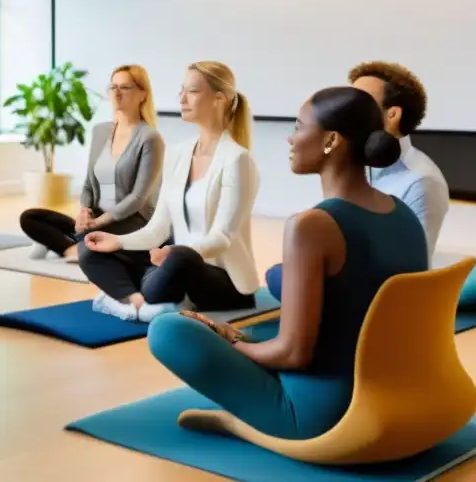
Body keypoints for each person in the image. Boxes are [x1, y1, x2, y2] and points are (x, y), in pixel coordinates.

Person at [148, 86, 428, 440]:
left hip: (324, 415)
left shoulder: (310, 226)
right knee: (276, 289)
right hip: (400, 397)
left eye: (298, 127)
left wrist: (229, 343)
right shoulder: (403, 213)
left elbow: (294, 353)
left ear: (331, 140)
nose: (289, 138)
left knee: (168, 330)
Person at [81, 61, 259, 323]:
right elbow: (157, 229)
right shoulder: (178, 153)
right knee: (91, 252)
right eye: (181, 90)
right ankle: (141, 301)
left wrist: (172, 253)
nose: (182, 98)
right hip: (175, 266)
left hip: (223, 282)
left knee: (179, 257)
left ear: (219, 99)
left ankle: (125, 302)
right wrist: (117, 241)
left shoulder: (237, 159)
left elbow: (223, 236)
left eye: (193, 92)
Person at [265, 60, 450, 299]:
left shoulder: (421, 182)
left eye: (363, 98)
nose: (350, 103)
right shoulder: (353, 176)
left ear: (392, 114)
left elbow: (407, 272)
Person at [20, 65, 164, 263]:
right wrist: (85, 213)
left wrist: (97, 223)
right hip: (97, 217)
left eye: (125, 87)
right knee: (29, 218)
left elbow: (138, 198)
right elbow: (88, 183)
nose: (117, 93)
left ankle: (69, 245)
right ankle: (72, 247)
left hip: (131, 221)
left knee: (97, 237)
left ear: (142, 95)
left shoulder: (150, 138)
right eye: (113, 87)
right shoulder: (100, 131)